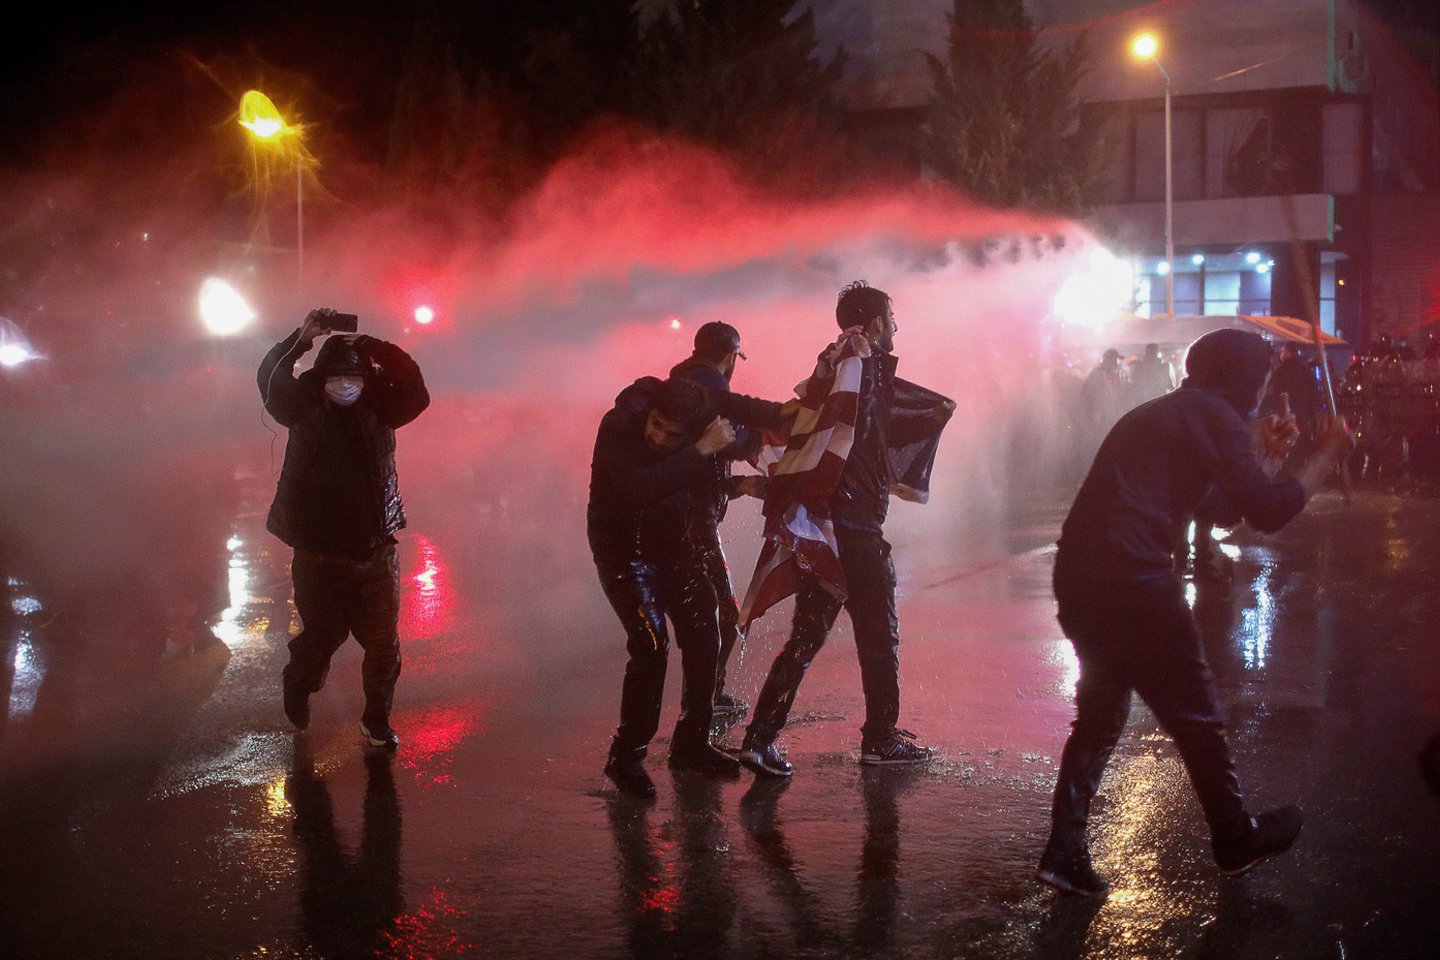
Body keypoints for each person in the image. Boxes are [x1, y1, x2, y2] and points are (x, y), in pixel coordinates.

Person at [1037, 328, 1351, 897]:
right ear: (1245, 379)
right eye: (1261, 379)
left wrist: (1263, 456)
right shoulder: (1212, 415)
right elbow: (1268, 513)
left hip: (1086, 578)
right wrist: (1323, 459)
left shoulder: (1177, 411)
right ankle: (1234, 838)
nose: (1263, 392)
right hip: (1132, 581)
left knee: (1102, 716)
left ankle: (1064, 850)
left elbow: (1221, 507)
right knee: (1196, 713)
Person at [736, 281, 954, 778]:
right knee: (880, 637)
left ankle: (759, 738)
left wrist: (927, 421)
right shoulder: (861, 363)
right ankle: (881, 738)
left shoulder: (836, 366)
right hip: (855, 529)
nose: (897, 327)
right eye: (892, 318)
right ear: (876, 323)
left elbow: (865, 434)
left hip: (833, 527)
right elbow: (861, 430)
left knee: (807, 637)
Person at [259, 308, 430, 749]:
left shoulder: (381, 409)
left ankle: (376, 718)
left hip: (375, 551)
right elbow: (270, 377)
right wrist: (301, 338)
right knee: (321, 640)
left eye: (353, 377)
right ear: (322, 380)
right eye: (335, 377)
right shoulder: (301, 407)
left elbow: (415, 387)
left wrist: (373, 347)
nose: (345, 385)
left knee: (383, 645)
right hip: (319, 555)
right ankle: (298, 683)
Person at [590, 376, 750, 799]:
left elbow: (705, 487)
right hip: (623, 552)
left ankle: (692, 744)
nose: (658, 437)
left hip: (674, 547)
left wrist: (739, 483)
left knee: (705, 632)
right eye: (656, 424)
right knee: (649, 644)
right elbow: (638, 489)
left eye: (672, 435)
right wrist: (700, 450)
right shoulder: (619, 426)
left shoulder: (703, 439)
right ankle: (626, 757)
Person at [669, 321, 773, 719]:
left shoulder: (685, 385)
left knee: (707, 613)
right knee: (725, 614)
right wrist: (762, 437)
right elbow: (731, 442)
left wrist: (740, 486)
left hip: (688, 518)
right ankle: (704, 700)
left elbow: (700, 469)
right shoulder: (710, 387)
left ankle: (706, 697)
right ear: (731, 357)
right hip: (694, 525)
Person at [1128, 342, 1174, 407]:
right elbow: (1169, 385)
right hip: (1155, 401)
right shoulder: (1162, 367)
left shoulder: (1139, 367)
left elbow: (1133, 384)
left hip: (1146, 402)